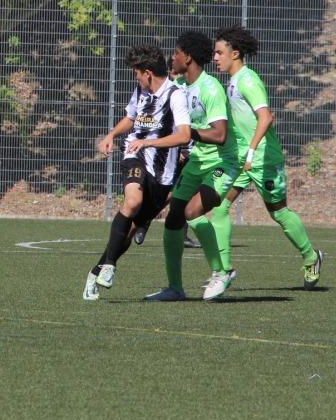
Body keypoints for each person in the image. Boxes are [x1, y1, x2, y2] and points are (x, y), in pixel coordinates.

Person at [194, 25, 324, 299]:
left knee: (278, 213)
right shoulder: (231, 81)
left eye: (219, 53)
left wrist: (252, 151)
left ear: (235, 53)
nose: (214, 57)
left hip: (263, 159)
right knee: (218, 208)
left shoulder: (248, 80)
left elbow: (265, 117)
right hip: (241, 160)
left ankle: (311, 257)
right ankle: (224, 270)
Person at [84, 44, 192, 300]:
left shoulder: (175, 95)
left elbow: (185, 135)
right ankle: (109, 266)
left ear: (147, 73)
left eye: (136, 73)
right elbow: (132, 118)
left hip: (163, 172)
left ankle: (97, 270)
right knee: (132, 201)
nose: (135, 78)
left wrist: (151, 142)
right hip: (135, 155)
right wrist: (111, 134)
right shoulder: (140, 91)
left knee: (130, 229)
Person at [145, 31, 239, 302]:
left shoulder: (210, 89)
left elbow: (219, 135)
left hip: (222, 163)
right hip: (197, 162)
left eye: (176, 52)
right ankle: (175, 287)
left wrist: (189, 134)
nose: (172, 57)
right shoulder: (182, 88)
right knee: (173, 220)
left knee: (192, 210)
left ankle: (221, 271)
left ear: (188, 56)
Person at [131, 55, 201, 250]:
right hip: (177, 145)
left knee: (184, 190)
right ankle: (146, 219)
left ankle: (178, 230)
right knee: (175, 188)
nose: (173, 60)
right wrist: (178, 147)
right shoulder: (173, 86)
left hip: (194, 145)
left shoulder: (202, 84)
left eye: (177, 55)